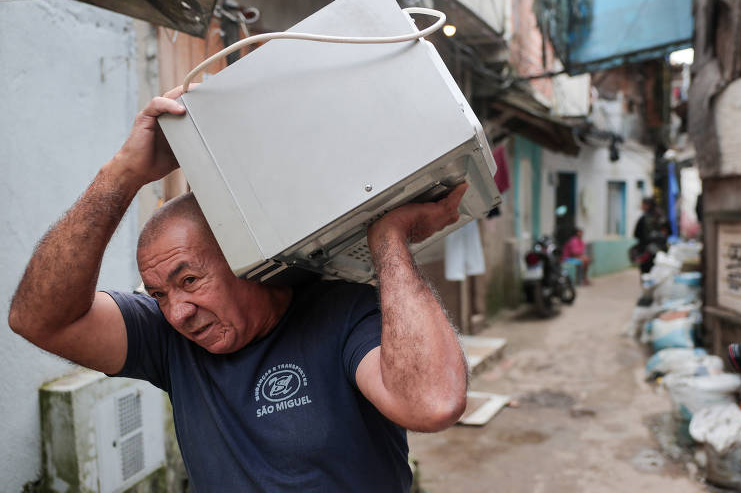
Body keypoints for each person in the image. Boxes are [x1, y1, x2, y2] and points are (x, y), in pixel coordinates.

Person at [8, 86, 468, 492]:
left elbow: (432, 404)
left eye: (189, 280)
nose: (178, 313)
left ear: (245, 258)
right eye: (159, 295)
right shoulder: (168, 341)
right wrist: (123, 174)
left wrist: (389, 240)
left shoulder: (343, 313)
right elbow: (37, 319)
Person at [632, 197, 667, 275]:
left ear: (647, 205)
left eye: (643, 204)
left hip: (647, 253)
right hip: (661, 252)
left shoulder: (644, 218)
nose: (641, 206)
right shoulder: (661, 215)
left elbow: (636, 234)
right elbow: (668, 232)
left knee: (647, 276)